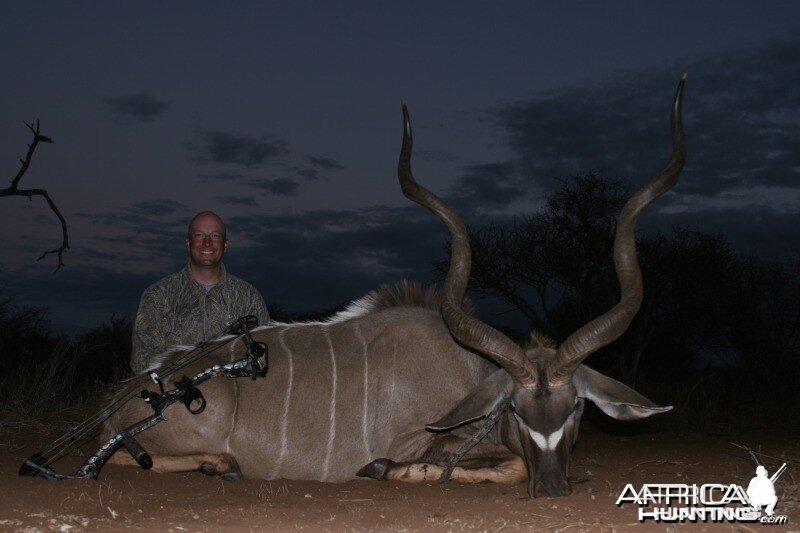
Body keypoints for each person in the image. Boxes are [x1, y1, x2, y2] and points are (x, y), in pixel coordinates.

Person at [130, 211, 269, 373]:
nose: (207, 243)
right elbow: (141, 362)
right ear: (188, 243)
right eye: (199, 235)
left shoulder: (249, 297)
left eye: (215, 236)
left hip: (236, 394)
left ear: (225, 245)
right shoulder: (158, 296)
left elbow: (265, 354)